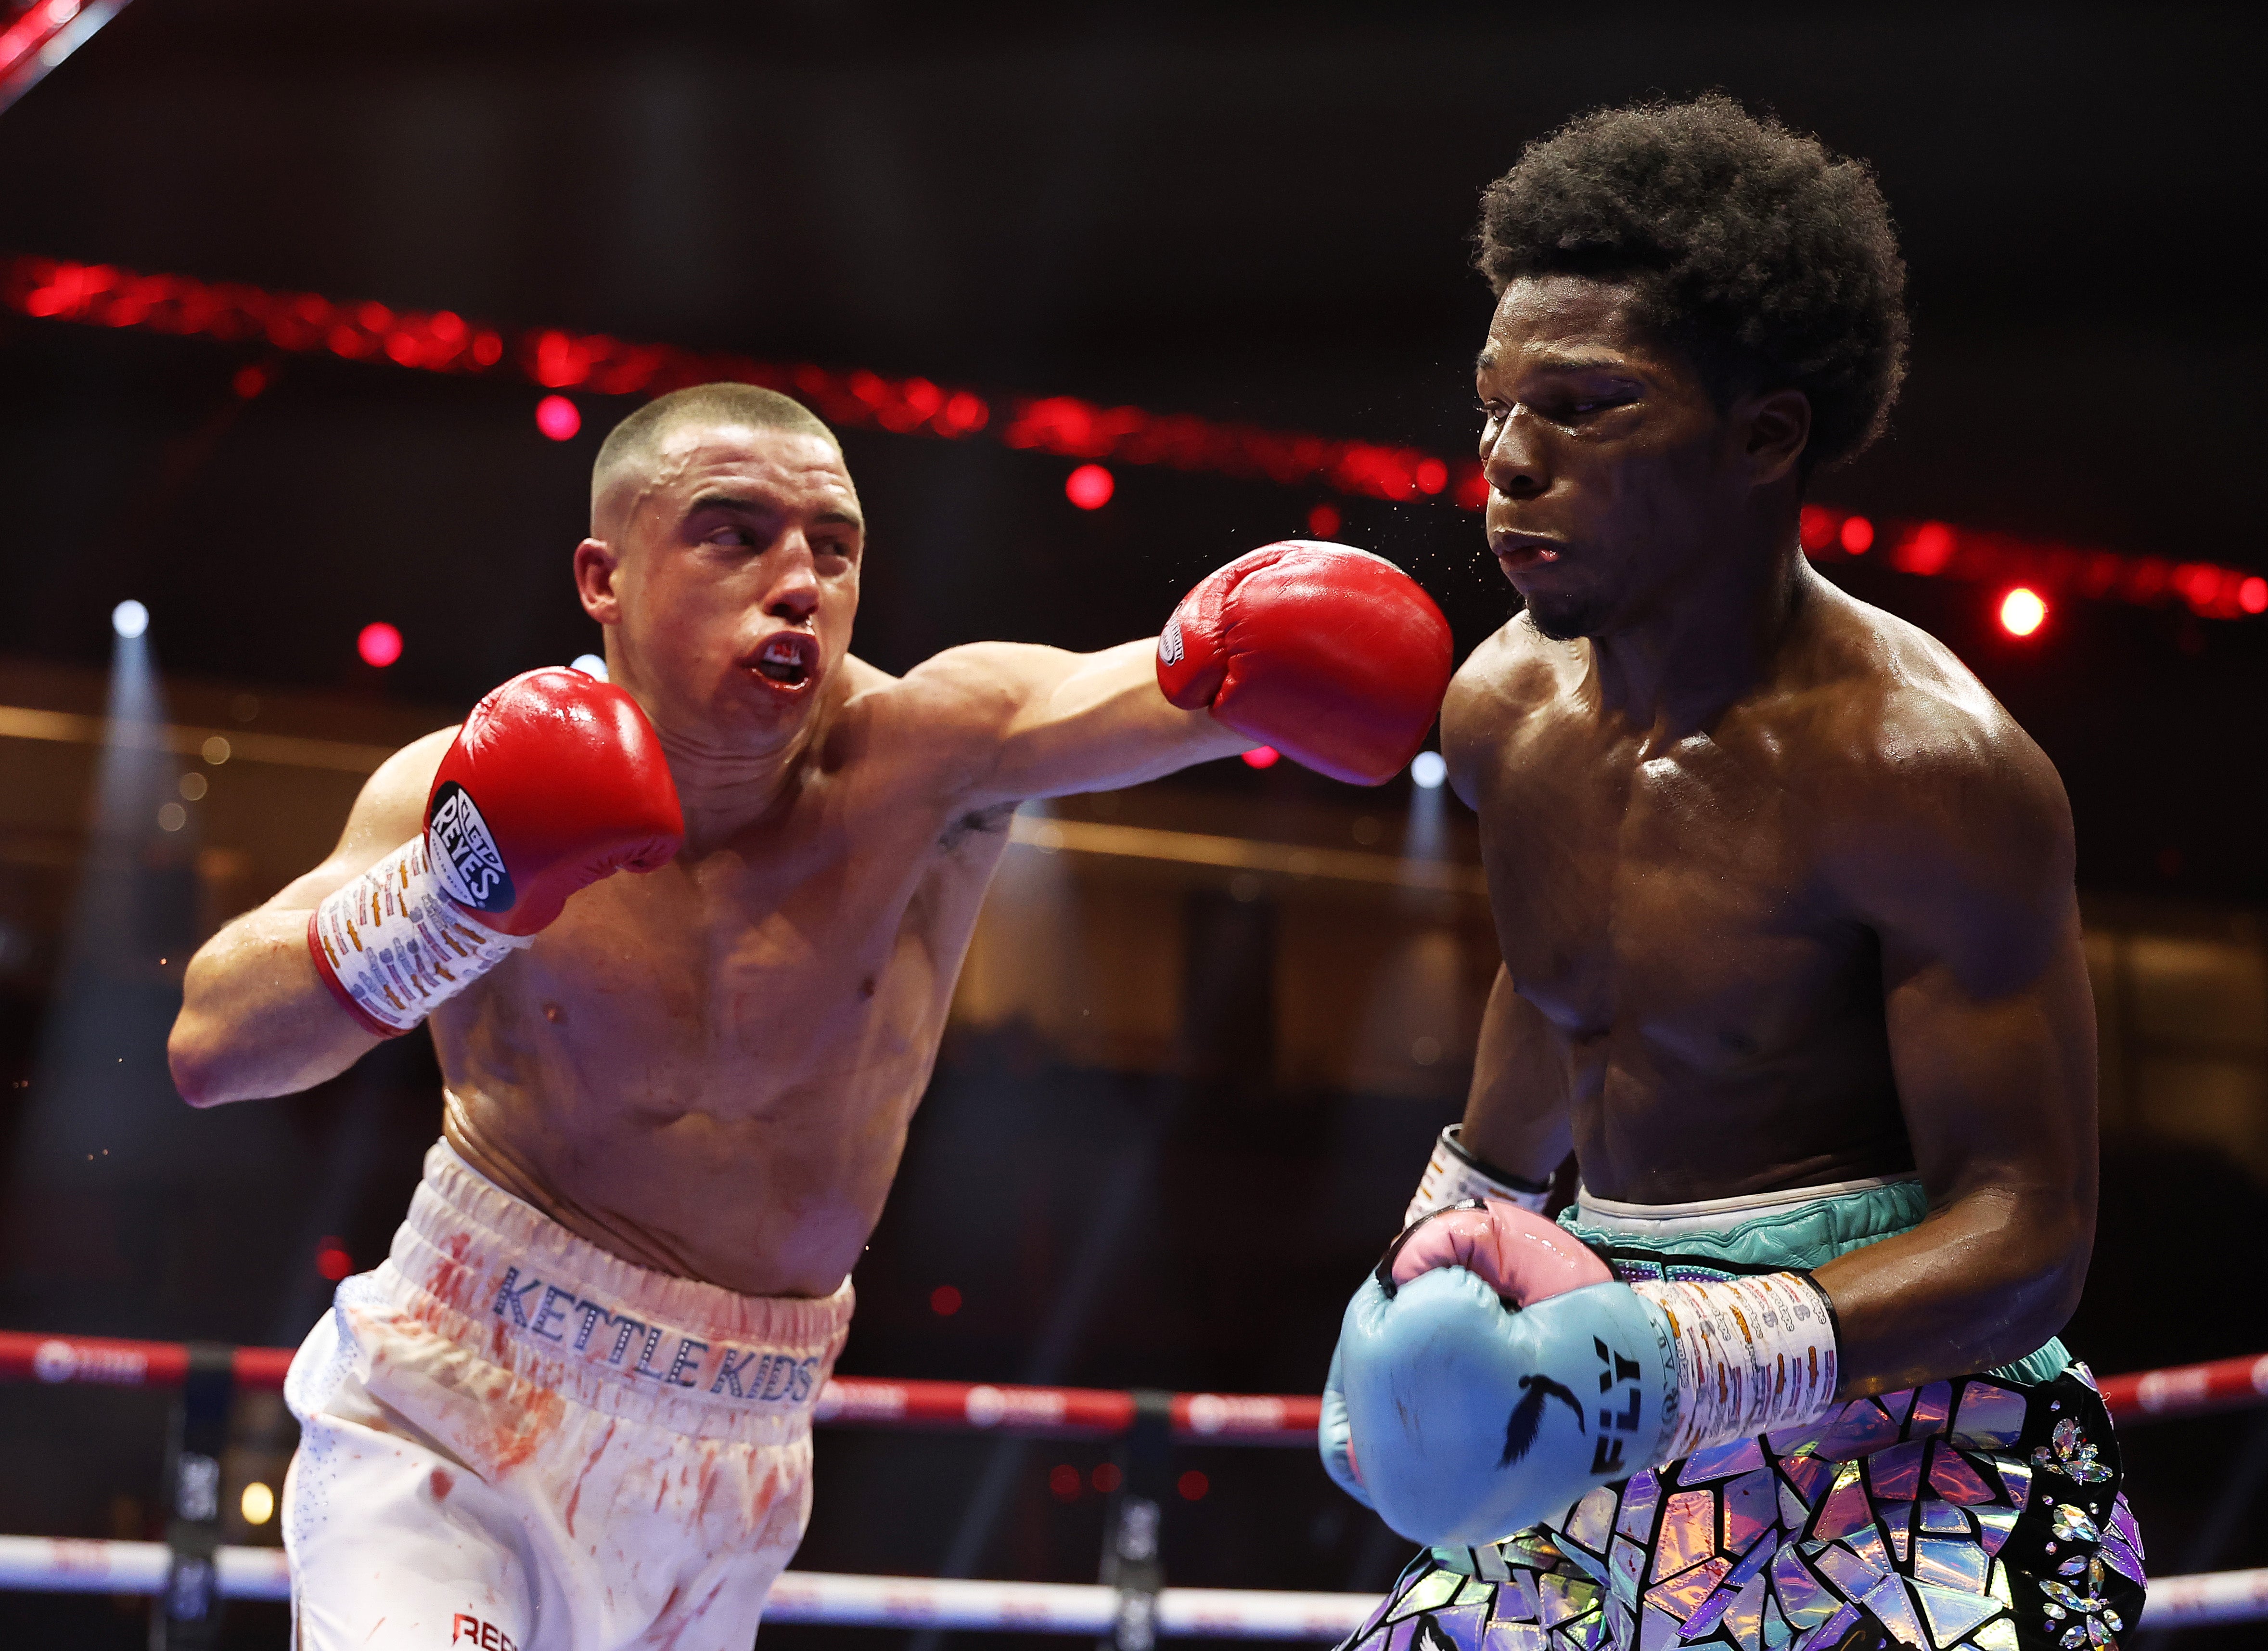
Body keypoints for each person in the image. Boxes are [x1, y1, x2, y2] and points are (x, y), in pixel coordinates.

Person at [167, 381, 1452, 1651]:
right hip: (452, 1408)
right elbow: (212, 1047)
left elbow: (1167, 686)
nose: (799, 581)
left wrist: (1247, 657)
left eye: (832, 547)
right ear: (602, 578)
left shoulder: (934, 754)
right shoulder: (463, 781)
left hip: (740, 1453)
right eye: (734, 533)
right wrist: (448, 893)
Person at [1321, 98, 2143, 1651]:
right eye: (1495, 406)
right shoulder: (1503, 703)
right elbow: (1555, 986)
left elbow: (2030, 1225)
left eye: (1584, 406)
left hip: (1896, 1417)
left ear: (1766, 435)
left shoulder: (1926, 769)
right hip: (1590, 1350)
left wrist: (1693, 1359)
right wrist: (1423, 1254)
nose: (1506, 463)